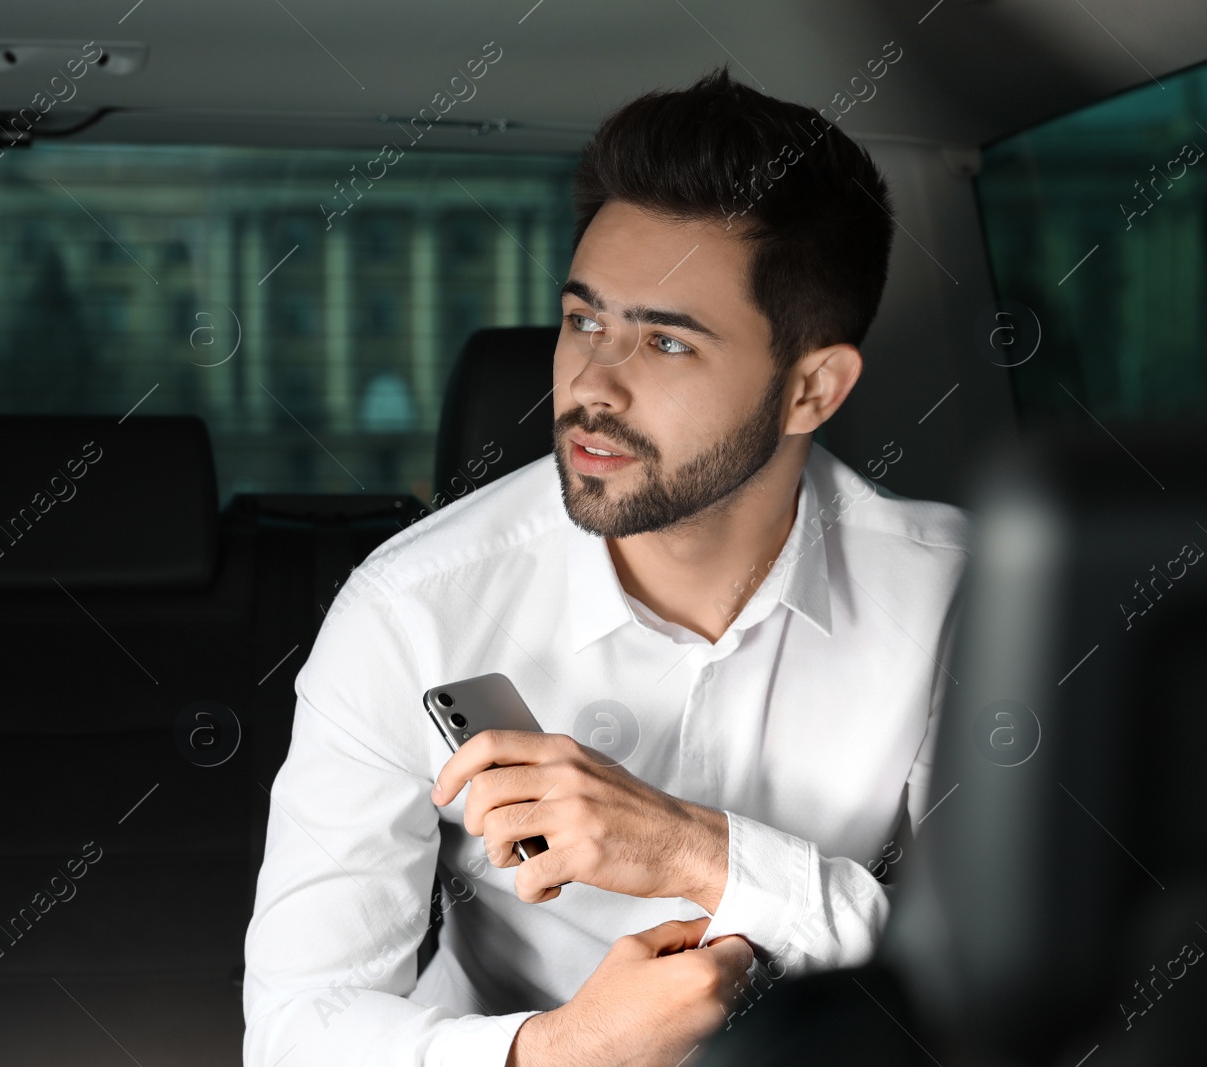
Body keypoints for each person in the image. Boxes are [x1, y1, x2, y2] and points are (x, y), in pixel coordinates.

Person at [243, 68, 969, 1067]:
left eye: (664, 342)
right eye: (583, 320)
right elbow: (294, 1033)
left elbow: (1006, 977)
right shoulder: (410, 609)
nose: (590, 383)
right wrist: (559, 1047)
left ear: (811, 388)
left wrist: (694, 850)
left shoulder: (958, 597)